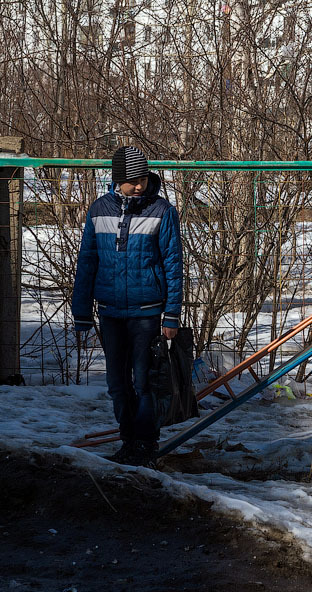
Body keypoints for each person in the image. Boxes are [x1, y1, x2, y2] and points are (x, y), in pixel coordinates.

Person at [72, 146, 183, 466]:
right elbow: (87, 262)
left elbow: (173, 264)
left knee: (144, 380)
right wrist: (82, 312)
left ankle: (146, 443)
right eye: (132, 180)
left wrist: (172, 312)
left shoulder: (162, 211)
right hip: (109, 312)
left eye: (143, 179)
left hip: (147, 311)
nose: (139, 185)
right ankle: (128, 439)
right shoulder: (98, 210)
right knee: (116, 384)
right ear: (117, 179)